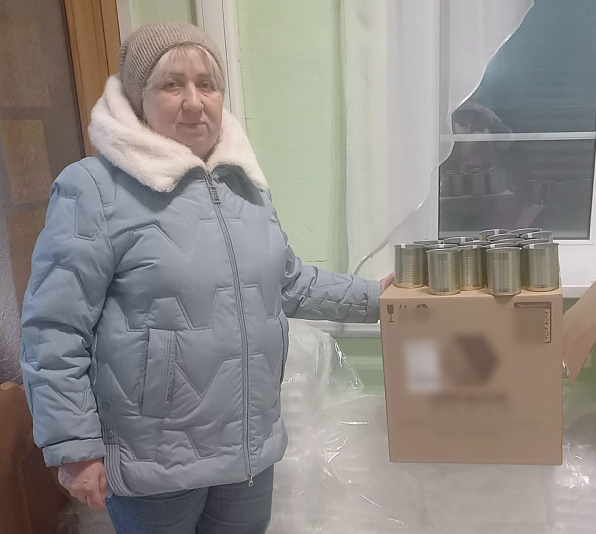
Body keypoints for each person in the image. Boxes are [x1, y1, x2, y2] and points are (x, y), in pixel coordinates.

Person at [19, 21, 393, 534]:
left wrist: (377, 299)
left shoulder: (245, 188)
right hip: (155, 465)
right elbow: (54, 328)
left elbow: (287, 282)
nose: (194, 102)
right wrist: (74, 445)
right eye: (172, 85)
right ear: (139, 99)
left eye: (207, 84)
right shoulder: (93, 188)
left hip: (247, 455)